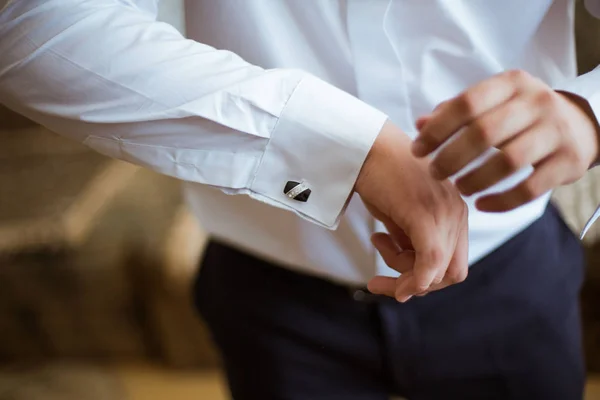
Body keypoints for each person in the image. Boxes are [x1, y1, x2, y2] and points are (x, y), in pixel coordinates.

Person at [1, 0, 599, 398]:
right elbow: (35, 28)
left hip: (513, 278)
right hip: (272, 295)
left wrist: (587, 116)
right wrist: (344, 145)